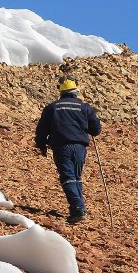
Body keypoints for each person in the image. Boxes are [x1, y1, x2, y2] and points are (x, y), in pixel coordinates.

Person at [35, 75, 102, 223]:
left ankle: (77, 208)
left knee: (68, 177)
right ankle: (79, 209)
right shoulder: (85, 107)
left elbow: (42, 129)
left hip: (61, 146)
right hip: (79, 147)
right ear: (75, 92)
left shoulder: (52, 107)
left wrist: (41, 144)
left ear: (61, 92)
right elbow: (96, 129)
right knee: (76, 177)